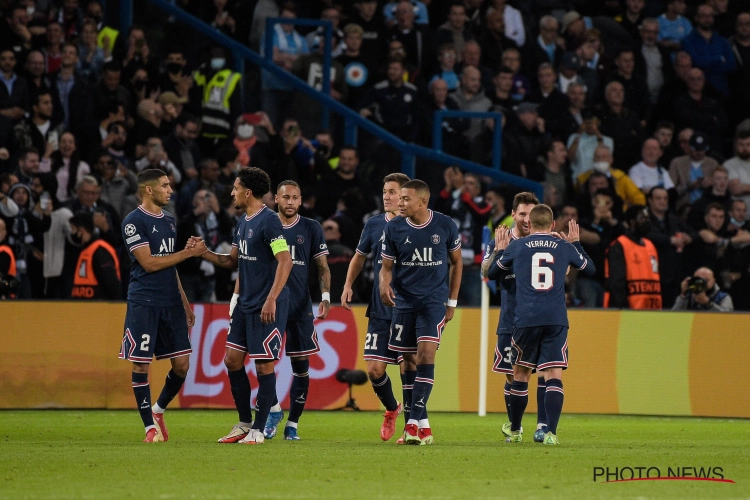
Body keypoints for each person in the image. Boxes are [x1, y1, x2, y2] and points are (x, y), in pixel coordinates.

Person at [198, 167, 292, 445]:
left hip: (267, 304)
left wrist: (272, 298)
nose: (232, 193)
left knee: (263, 366)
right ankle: (244, 423)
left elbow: (285, 261)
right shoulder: (243, 222)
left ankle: (259, 430)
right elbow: (231, 261)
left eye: (235, 188)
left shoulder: (269, 221)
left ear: (247, 192)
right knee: (232, 360)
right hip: (246, 304)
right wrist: (203, 253)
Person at [493, 205, 595, 445]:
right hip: (556, 318)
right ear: (552, 225)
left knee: (520, 374)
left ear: (531, 225)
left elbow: (494, 273)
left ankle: (516, 430)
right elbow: (590, 269)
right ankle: (551, 433)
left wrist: (500, 250)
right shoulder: (564, 246)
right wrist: (576, 243)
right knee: (552, 375)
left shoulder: (517, 246)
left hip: (525, 318)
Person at [118, 169, 207, 442]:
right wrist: (188, 253)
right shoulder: (133, 222)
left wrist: (184, 301)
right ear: (148, 189)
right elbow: (150, 262)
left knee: (182, 365)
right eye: (165, 186)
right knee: (141, 365)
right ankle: (149, 428)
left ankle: (158, 410)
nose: (170, 190)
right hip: (145, 301)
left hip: (170, 302)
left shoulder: (169, 221)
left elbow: (170, 264)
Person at [379, 179, 463, 445]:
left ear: (422, 202)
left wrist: (451, 302)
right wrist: (384, 283)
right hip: (403, 303)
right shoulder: (393, 228)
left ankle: (412, 422)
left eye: (405, 199)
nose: (400, 203)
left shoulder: (445, 225)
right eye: (399, 198)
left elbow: (457, 262)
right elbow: (386, 267)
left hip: (433, 302)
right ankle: (424, 426)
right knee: (408, 361)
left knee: (426, 354)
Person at [341, 173, 413, 443]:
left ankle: (412, 425)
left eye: (392, 192)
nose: (386, 196)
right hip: (380, 309)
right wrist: (348, 284)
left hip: (407, 307)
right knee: (374, 369)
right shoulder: (373, 224)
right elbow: (359, 258)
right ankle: (392, 408)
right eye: (385, 191)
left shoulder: (416, 226)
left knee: (409, 366)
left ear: (405, 195)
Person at [262, 180, 331, 441]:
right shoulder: (266, 225)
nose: (290, 202)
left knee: (301, 367)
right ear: (276, 200)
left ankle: (293, 424)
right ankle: (274, 409)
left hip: (300, 306)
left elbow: (323, 266)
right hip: (271, 304)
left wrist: (324, 296)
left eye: (295, 198)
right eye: (285, 197)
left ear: (300, 201)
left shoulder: (311, 228)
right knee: (264, 362)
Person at [483, 192, 551, 443]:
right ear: (513, 215)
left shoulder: (545, 242)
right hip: (510, 319)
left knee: (544, 371)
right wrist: (499, 252)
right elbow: (485, 271)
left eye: (531, 215)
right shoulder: (499, 240)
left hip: (540, 318)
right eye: (522, 214)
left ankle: (543, 426)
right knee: (511, 375)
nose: (526, 219)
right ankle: (516, 427)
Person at [604, 205, 662, 309]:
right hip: (629, 312)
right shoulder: (620, 245)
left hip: (652, 311)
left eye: (648, 218)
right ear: (631, 222)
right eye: (642, 218)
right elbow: (617, 284)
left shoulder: (650, 245)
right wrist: (624, 311)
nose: (646, 221)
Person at [68, 211, 120, 300]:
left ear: (81, 231)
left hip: (98, 307)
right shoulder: (85, 250)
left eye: (73, 229)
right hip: (84, 307)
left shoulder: (100, 251)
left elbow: (111, 284)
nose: (71, 233)